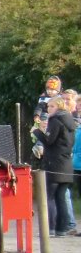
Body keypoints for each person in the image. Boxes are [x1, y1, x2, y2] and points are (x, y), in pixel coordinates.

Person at [33, 94, 78, 236]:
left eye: (51, 106)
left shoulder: (56, 121)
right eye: (48, 107)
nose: (48, 109)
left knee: (50, 197)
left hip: (55, 164)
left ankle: (50, 228)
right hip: (66, 163)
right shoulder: (70, 121)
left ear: (59, 106)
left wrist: (37, 132)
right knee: (61, 197)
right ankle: (62, 228)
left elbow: (49, 141)